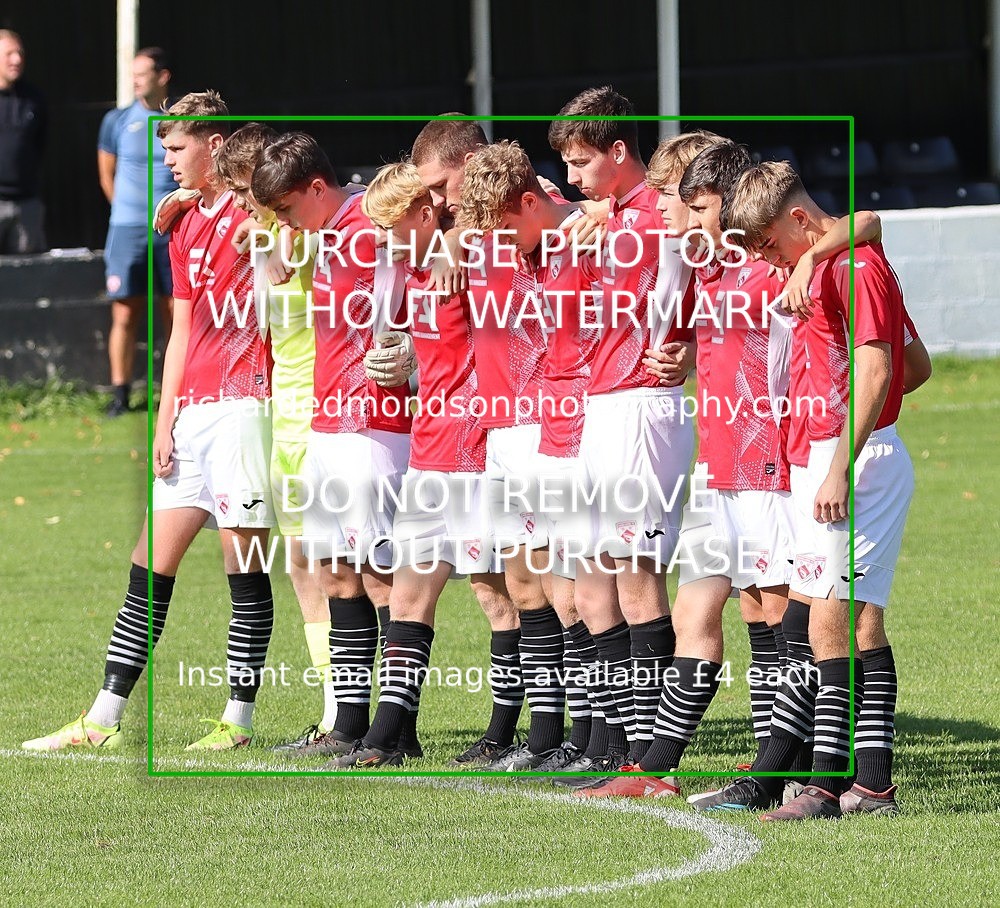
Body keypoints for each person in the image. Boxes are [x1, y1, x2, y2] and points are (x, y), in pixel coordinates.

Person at [23, 91, 277, 753]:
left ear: (214, 146)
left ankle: (238, 722)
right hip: (193, 415)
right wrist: (164, 421)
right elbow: (183, 331)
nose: (164, 159)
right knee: (147, 570)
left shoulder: (263, 216)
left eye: (175, 147)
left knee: (243, 570)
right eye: (162, 147)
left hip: (248, 413)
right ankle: (102, 719)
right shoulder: (183, 223)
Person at [694, 160, 919, 819]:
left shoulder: (853, 266)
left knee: (827, 620)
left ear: (796, 221)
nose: (762, 257)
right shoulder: (819, 259)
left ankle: (826, 786)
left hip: (847, 457)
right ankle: (860, 784)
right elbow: (915, 365)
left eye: (767, 243)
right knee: (834, 621)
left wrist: (840, 462)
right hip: (817, 453)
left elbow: (879, 368)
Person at [547, 86, 695, 780]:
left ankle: (650, 761)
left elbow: (706, 265)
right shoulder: (604, 216)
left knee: (638, 580)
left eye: (582, 163)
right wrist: (586, 213)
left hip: (642, 405)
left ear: (617, 152)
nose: (575, 178)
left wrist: (689, 344)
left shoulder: (660, 212)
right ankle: (633, 753)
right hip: (606, 405)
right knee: (605, 576)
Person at [250, 132, 414, 758]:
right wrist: (286, 236)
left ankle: (398, 731)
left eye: (288, 211)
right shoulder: (324, 232)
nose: (283, 224)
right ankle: (347, 724)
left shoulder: (375, 226)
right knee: (333, 569)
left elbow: (426, 285)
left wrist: (412, 358)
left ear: (318, 190)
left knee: (380, 576)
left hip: (373, 424)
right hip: (328, 423)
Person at [98, 47, 176, 416]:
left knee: (176, 312)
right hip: (127, 230)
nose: (135, 80)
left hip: (173, 231)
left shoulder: (180, 120)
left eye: (142, 73)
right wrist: (126, 212)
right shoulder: (116, 121)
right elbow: (106, 174)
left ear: (163, 77)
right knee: (125, 314)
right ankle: (120, 396)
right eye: (132, 73)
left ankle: (176, 395)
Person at [0, 29, 46, 254]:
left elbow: (40, 144)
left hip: (27, 204)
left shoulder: (34, 98)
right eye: (9, 54)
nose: (17, 60)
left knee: (29, 278)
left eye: (20, 53)